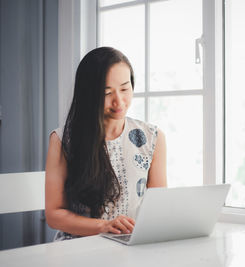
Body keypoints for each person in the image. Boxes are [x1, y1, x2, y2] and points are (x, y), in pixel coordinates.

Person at [45, 47, 167, 241]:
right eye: (106, 92)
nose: (119, 101)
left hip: (130, 245)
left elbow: (157, 206)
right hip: (79, 246)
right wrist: (104, 226)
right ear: (88, 94)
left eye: (125, 89)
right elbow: (54, 215)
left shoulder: (153, 138)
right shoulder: (63, 140)